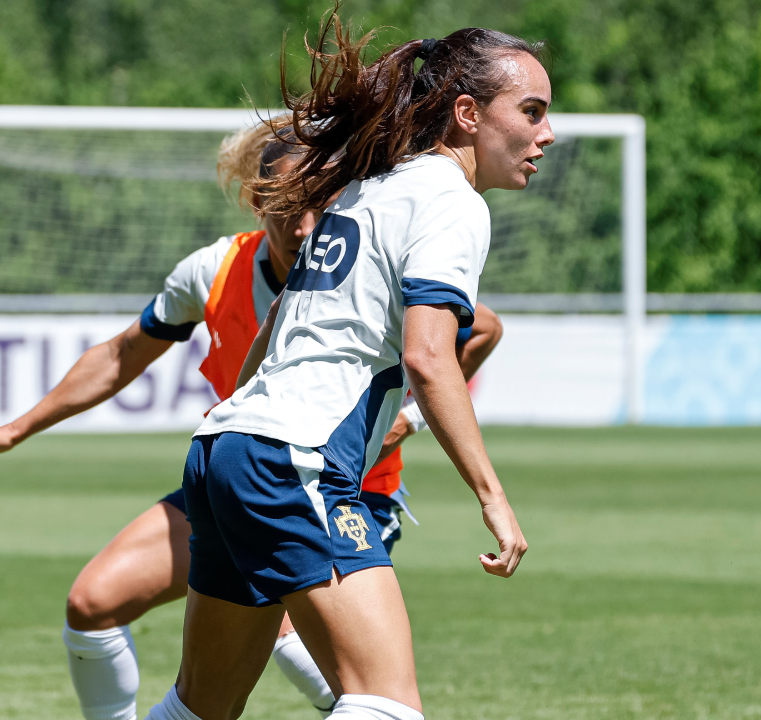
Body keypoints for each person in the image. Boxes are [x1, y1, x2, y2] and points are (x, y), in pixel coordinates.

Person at [0, 118, 504, 719]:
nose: (306, 224)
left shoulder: (371, 258)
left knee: (338, 677)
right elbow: (120, 354)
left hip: (345, 488)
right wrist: (15, 428)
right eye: (289, 205)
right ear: (258, 201)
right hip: (242, 475)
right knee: (93, 605)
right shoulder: (215, 270)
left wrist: (409, 420)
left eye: (321, 201)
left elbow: (473, 334)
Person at [138, 18, 554, 720]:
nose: (546, 134)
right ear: (467, 113)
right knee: (387, 707)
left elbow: (276, 324)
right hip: (292, 460)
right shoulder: (452, 201)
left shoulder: (370, 187)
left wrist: (241, 420)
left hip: (226, 451)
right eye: (532, 112)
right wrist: (491, 494)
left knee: (202, 707)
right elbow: (428, 356)